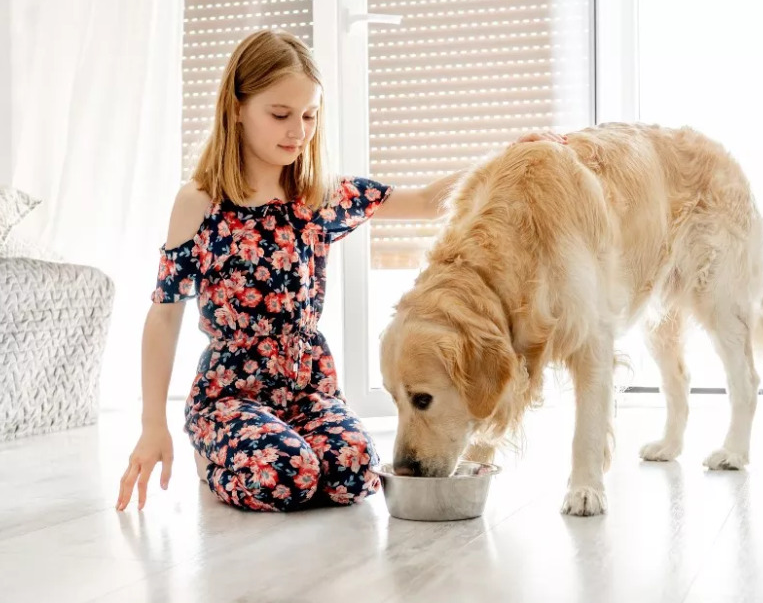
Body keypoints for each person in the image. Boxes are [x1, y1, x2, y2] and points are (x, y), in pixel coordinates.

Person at [116, 28, 566, 513]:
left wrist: (508, 159)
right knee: (289, 476)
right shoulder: (199, 202)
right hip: (232, 393)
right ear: (237, 108)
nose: (299, 131)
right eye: (281, 115)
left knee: (355, 473)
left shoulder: (318, 197)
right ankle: (214, 452)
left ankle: (271, 448)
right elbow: (164, 315)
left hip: (308, 386)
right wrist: (151, 424)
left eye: (310, 115)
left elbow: (422, 200)